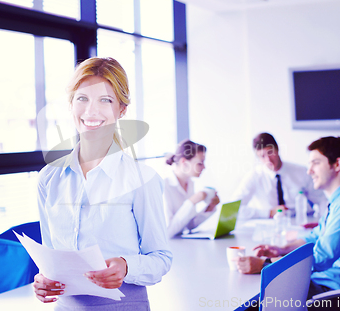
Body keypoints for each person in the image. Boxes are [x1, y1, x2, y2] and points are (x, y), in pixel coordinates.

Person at [33, 57, 172, 310]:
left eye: (105, 100)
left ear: (121, 110)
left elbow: (161, 259)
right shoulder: (48, 178)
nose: (91, 111)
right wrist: (44, 281)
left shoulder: (141, 180)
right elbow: (50, 257)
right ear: (71, 104)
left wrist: (126, 265)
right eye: (82, 98)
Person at [235, 136, 340, 309]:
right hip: (329, 282)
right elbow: (316, 236)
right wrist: (282, 249)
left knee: (254, 304)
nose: (309, 171)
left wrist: (265, 264)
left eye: (315, 163)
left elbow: (321, 258)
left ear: (337, 164)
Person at [231, 132, 326, 221]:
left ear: (277, 149)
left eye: (270, 153)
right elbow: (233, 209)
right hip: (270, 225)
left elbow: (322, 199)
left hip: (300, 221)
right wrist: (269, 212)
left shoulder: (302, 172)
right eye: (262, 156)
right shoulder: (254, 176)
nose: (268, 160)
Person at [163, 139, 220, 238]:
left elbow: (188, 226)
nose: (204, 167)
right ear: (184, 163)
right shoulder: (164, 186)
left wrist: (209, 208)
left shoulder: (190, 184)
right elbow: (168, 232)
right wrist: (191, 202)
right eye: (200, 163)